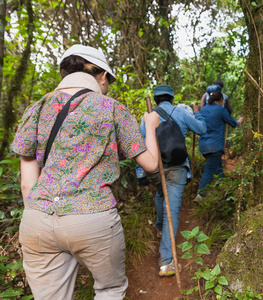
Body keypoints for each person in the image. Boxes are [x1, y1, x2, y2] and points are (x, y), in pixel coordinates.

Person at [11, 44, 161, 300]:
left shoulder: (35, 108)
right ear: (101, 75)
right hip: (91, 217)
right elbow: (150, 164)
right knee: (110, 290)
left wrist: (44, 218)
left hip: (36, 218)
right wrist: (150, 126)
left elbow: (28, 183)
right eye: (108, 81)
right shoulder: (111, 107)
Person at [135, 84, 207, 276]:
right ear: (172, 98)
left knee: (160, 193)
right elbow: (202, 129)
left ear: (156, 99)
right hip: (177, 168)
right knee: (172, 210)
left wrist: (140, 173)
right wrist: (198, 113)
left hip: (155, 168)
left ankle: (159, 228)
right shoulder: (181, 112)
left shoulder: (147, 117)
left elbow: (140, 145)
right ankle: (167, 261)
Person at [196, 84, 243, 199]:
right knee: (210, 169)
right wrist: (240, 121)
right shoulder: (221, 110)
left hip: (203, 146)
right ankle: (200, 196)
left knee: (218, 166)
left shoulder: (203, 110)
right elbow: (233, 123)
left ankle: (220, 188)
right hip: (214, 146)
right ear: (221, 100)